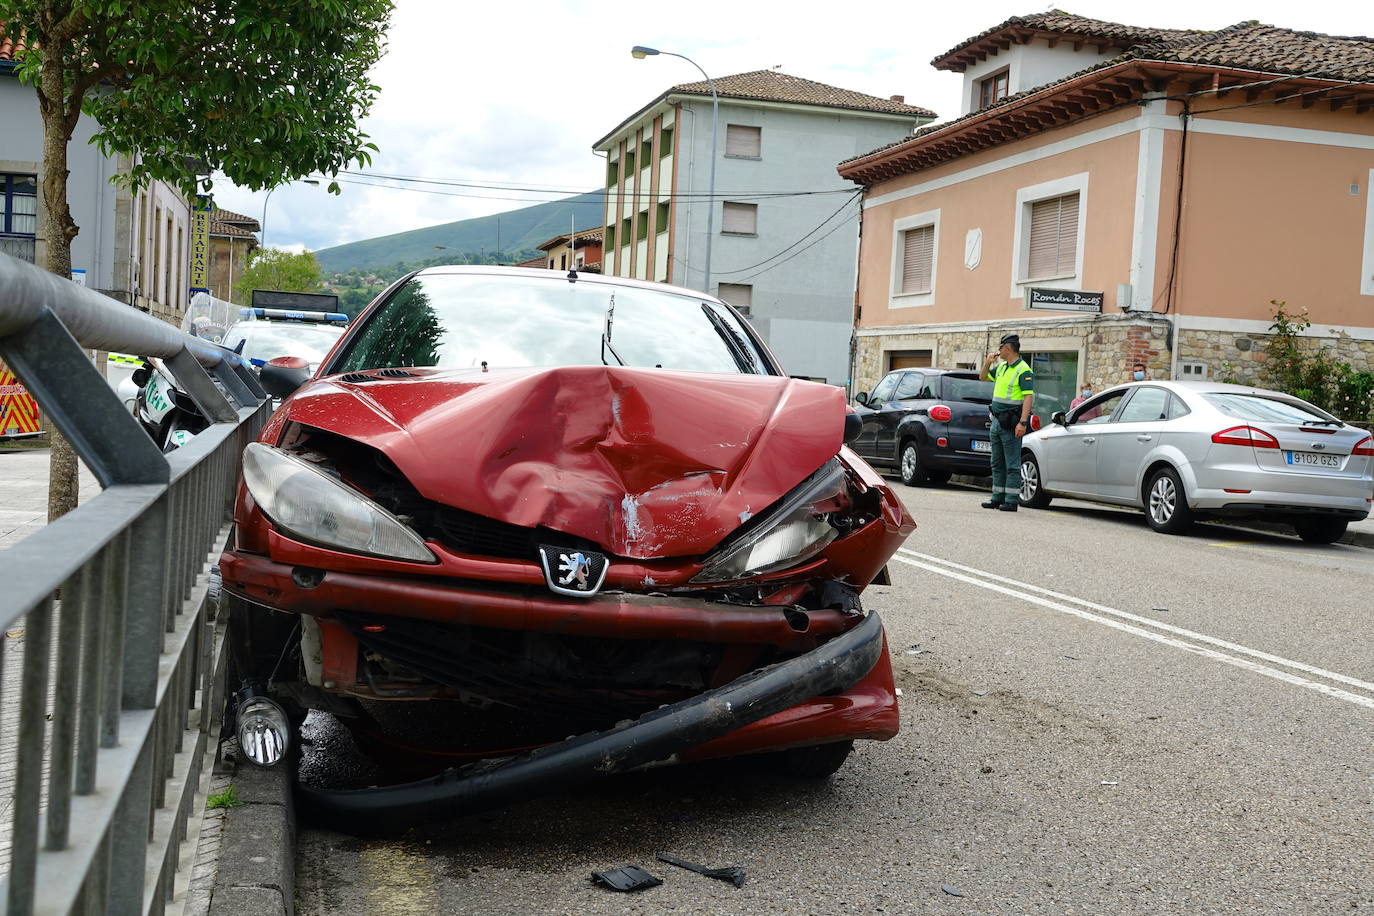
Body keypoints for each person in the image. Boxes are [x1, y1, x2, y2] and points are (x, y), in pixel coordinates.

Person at [979, 333, 1034, 511]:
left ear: (1008, 349)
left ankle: (1011, 500)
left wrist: (1023, 422)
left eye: (1001, 347)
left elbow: (1028, 397)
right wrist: (988, 362)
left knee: (1012, 463)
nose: (999, 350)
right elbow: (983, 377)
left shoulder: (1023, 369)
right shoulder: (1002, 367)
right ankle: (997, 497)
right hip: (996, 420)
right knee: (997, 462)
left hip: (1011, 422)